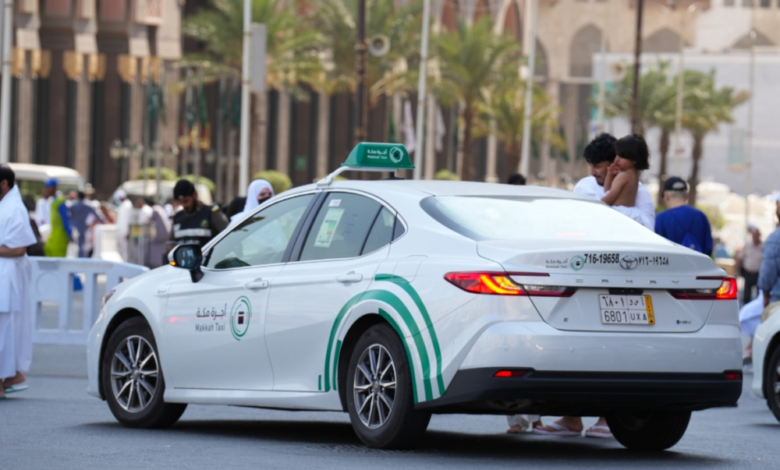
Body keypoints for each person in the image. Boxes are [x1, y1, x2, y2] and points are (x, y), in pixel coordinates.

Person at [0, 166, 37, 398]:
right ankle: (11, 375)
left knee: (4, 329)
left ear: (3, 183)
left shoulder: (14, 208)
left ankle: (7, 378)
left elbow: (19, 248)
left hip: (8, 275)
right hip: (4, 273)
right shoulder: (6, 205)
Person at [573, 133, 655, 230]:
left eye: (597, 166)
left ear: (614, 162)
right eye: (590, 165)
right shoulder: (583, 186)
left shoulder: (639, 190)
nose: (592, 172)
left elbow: (648, 230)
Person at [655, 177, 713, 255]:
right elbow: (708, 248)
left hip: (672, 262)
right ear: (686, 195)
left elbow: (657, 249)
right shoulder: (701, 216)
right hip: (698, 262)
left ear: (666, 196)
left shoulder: (661, 218)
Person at [168, 179, 229, 250]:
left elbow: (228, 235)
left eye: (186, 201)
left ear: (195, 195)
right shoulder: (177, 218)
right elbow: (171, 245)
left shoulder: (211, 213)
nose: (184, 205)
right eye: (181, 202)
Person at [601, 134, 650, 215]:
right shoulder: (633, 175)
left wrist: (597, 205)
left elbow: (610, 196)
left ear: (634, 159)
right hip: (628, 213)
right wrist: (610, 175)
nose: (616, 159)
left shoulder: (624, 175)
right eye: (616, 155)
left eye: (621, 156)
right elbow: (608, 191)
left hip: (619, 213)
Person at [42, 179, 73, 258]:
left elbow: (65, 219)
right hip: (55, 235)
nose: (46, 190)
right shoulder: (54, 201)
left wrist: (69, 235)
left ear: (53, 188)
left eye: (48, 188)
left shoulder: (60, 202)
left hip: (60, 237)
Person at [70, 191, 103, 258]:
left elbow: (69, 216)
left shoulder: (73, 206)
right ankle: (80, 257)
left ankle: (78, 257)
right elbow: (96, 215)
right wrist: (103, 221)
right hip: (82, 227)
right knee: (80, 244)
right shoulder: (87, 206)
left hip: (74, 227)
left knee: (75, 244)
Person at [735, 225, 763, 305]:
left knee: (759, 296)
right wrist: (736, 271)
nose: (755, 237)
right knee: (746, 296)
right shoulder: (747, 245)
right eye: (753, 235)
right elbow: (740, 258)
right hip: (748, 273)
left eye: (756, 235)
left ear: (759, 235)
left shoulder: (764, 246)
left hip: (759, 274)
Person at [148, 198, 172, 268]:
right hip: (165, 232)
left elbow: (151, 219)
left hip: (160, 234)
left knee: (156, 252)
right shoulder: (160, 208)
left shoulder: (155, 209)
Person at [114, 190, 132, 261]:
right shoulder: (123, 205)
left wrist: (127, 232)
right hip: (120, 231)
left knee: (124, 250)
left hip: (124, 232)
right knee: (120, 249)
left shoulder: (127, 205)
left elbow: (128, 220)